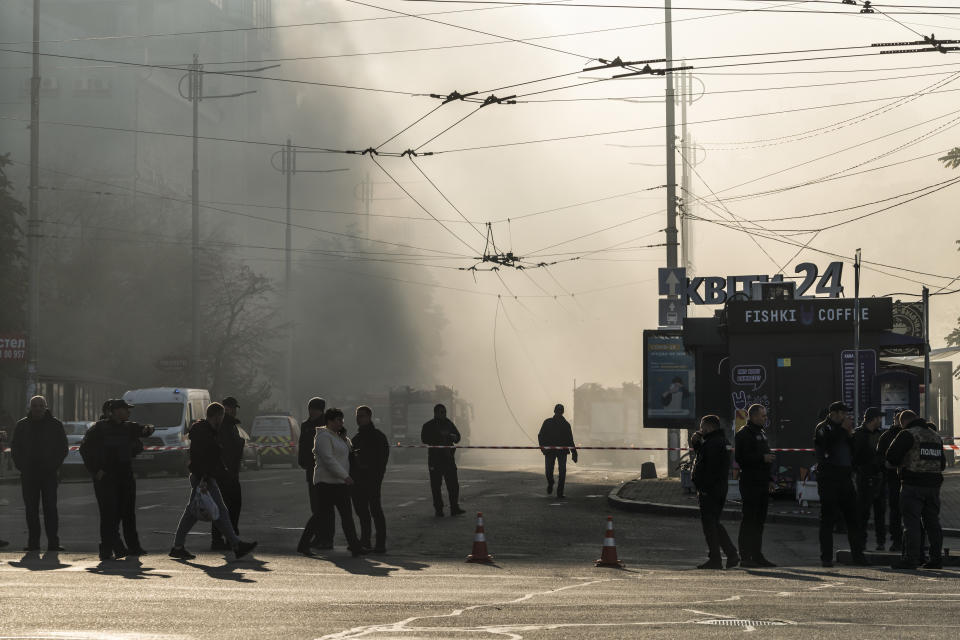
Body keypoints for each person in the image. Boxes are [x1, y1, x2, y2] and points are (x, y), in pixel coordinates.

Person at [169, 402, 257, 560]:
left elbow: (211, 457)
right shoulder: (204, 432)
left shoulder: (206, 430)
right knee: (221, 511)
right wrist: (203, 478)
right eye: (222, 416)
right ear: (217, 416)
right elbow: (201, 457)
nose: (222, 420)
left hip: (205, 476)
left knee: (191, 513)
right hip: (204, 478)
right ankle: (236, 545)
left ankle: (178, 546)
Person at [79, 398, 154, 561]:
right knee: (109, 514)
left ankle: (133, 547)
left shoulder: (129, 427)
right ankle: (106, 549)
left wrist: (148, 429)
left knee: (127, 513)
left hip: (125, 474)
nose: (128, 412)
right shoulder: (99, 429)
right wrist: (96, 470)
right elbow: (84, 449)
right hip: (107, 476)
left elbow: (145, 432)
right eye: (125, 409)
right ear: (116, 411)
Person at [885, 410, 945, 570]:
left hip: (912, 485)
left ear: (904, 422)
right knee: (933, 523)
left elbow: (891, 456)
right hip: (933, 487)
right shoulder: (935, 436)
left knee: (911, 523)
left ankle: (911, 559)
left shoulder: (907, 434)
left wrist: (901, 463)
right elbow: (943, 464)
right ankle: (936, 559)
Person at [10, 396, 68, 552]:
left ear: (46, 407)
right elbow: (15, 448)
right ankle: (33, 543)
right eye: (34, 405)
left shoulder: (55, 425)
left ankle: (53, 543)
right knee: (31, 509)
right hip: (29, 474)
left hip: (49, 473)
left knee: (50, 508)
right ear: (30, 407)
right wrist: (22, 466)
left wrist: (53, 466)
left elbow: (63, 448)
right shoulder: (22, 425)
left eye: (40, 405)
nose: (37, 408)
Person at [814, 402, 868, 567]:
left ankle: (858, 556)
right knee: (828, 519)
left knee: (853, 519)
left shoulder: (844, 430)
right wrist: (843, 430)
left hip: (845, 478)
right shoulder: (823, 428)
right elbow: (826, 445)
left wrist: (850, 434)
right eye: (843, 413)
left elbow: (853, 451)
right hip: (829, 479)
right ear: (835, 413)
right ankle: (826, 557)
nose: (845, 416)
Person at [312, 407, 364, 557]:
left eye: (342, 420)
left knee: (347, 516)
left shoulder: (337, 436)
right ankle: (304, 543)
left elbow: (349, 451)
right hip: (326, 483)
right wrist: (345, 476)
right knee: (321, 516)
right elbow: (329, 459)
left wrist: (344, 437)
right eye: (338, 420)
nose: (341, 423)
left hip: (339, 484)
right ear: (330, 421)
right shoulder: (323, 437)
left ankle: (355, 546)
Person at [690, 415, 739, 570]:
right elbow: (704, 459)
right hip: (718, 489)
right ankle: (730, 554)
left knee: (709, 525)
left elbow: (708, 468)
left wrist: (703, 488)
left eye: (702, 427)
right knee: (714, 524)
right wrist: (696, 444)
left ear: (709, 427)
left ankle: (717, 558)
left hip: (710, 490)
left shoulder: (712, 444)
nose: (700, 430)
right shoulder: (720, 441)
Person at [734, 404, 776, 568]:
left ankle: (757, 555)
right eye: (762, 416)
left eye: (765, 416)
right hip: (750, 481)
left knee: (759, 520)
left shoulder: (762, 433)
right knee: (749, 519)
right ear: (752, 416)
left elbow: (766, 457)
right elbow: (741, 458)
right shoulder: (743, 434)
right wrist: (762, 458)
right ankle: (745, 556)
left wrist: (770, 479)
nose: (765, 419)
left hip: (762, 481)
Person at [298, 397, 334, 553]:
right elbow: (302, 445)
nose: (311, 411)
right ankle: (319, 537)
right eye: (310, 408)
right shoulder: (306, 425)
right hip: (311, 471)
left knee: (326, 507)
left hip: (326, 471)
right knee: (316, 507)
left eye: (315, 408)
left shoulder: (328, 426)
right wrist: (302, 461)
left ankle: (327, 538)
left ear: (321, 410)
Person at [351, 405, 390, 553]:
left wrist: (376, 476)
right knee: (362, 512)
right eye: (357, 416)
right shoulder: (356, 438)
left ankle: (380, 543)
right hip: (358, 481)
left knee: (375, 511)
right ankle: (365, 540)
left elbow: (382, 460)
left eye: (362, 416)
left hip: (372, 480)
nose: (359, 419)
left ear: (369, 417)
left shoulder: (377, 436)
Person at [211, 396, 245, 551]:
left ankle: (227, 537)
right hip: (225, 473)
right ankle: (224, 538)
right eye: (232, 408)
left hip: (230, 472)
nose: (235, 411)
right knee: (224, 506)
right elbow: (227, 449)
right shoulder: (224, 426)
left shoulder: (229, 425)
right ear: (227, 408)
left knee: (230, 505)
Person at [421, 404, 465, 517]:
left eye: (444, 412)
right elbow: (424, 439)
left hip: (448, 459)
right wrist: (438, 437)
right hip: (435, 460)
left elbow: (458, 436)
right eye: (441, 412)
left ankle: (454, 507)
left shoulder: (449, 423)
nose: (443, 414)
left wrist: (454, 437)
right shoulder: (429, 425)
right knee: (436, 486)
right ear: (435, 413)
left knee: (453, 485)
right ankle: (439, 509)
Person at [852, 407, 887, 551]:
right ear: (874, 419)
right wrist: (858, 472)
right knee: (863, 512)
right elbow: (854, 456)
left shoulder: (881, 434)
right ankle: (861, 542)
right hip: (865, 478)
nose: (881, 420)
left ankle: (881, 542)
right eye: (879, 418)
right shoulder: (858, 434)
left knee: (881, 512)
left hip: (879, 477)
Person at [877, 410, 905, 552]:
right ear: (894, 419)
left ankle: (906, 541)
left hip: (907, 479)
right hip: (894, 479)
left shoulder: (909, 434)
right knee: (895, 511)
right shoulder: (887, 436)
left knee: (908, 512)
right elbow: (880, 456)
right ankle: (897, 540)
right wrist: (888, 465)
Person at [538, 404, 578, 498]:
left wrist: (574, 452)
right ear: (555, 411)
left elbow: (570, 440)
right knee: (548, 471)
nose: (559, 413)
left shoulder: (566, 425)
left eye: (560, 411)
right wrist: (543, 448)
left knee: (562, 472)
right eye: (558, 411)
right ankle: (551, 483)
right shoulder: (547, 422)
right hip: (550, 451)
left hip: (562, 451)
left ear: (562, 412)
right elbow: (541, 436)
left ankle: (560, 492)